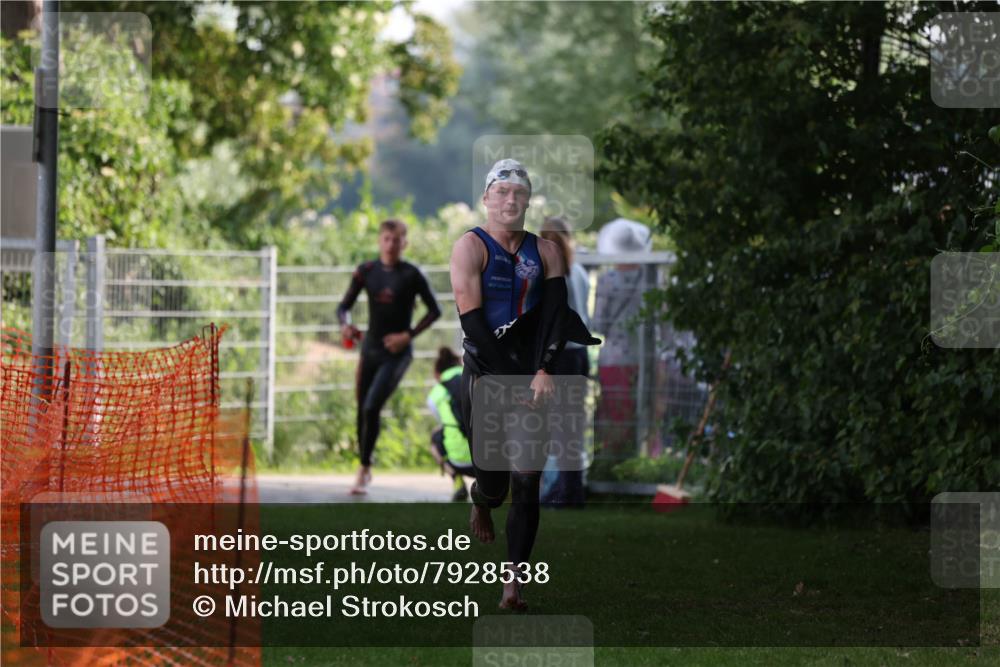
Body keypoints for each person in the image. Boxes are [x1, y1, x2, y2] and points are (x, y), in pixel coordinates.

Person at [449, 158, 599, 610]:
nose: (510, 200)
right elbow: (473, 324)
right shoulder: (470, 248)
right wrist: (510, 379)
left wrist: (545, 368)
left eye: (519, 193)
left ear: (528, 201)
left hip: (533, 379)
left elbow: (556, 317)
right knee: (495, 483)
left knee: (528, 480)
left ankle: (512, 584)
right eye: (502, 192)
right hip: (486, 376)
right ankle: (481, 498)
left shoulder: (546, 252)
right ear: (487, 198)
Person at [337, 219, 441, 495]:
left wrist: (408, 335)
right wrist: (345, 325)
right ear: (379, 241)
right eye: (386, 239)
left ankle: (364, 467)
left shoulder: (412, 274)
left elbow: (435, 311)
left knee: (372, 406)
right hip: (370, 349)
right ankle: (364, 466)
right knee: (362, 409)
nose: (391, 244)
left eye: (396, 240)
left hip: (397, 353)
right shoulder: (366, 271)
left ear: (404, 243)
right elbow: (343, 307)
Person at [538, 216, 591, 507]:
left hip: (560, 356)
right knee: (573, 428)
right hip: (579, 356)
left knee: (559, 428)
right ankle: (572, 489)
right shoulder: (579, 272)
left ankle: (564, 492)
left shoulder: (550, 275)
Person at [591, 218, 653, 460]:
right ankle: (642, 459)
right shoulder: (650, 278)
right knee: (644, 412)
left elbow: (599, 324)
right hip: (646, 356)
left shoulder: (607, 281)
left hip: (614, 359)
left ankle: (615, 461)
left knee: (616, 413)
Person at [426, 347, 475, 501]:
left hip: (458, 461)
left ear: (437, 373)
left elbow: (443, 422)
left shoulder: (436, 392)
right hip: (490, 459)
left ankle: (457, 480)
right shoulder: (476, 379)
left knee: (436, 437)